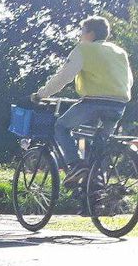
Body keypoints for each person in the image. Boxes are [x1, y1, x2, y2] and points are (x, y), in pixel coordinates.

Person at [32, 16, 133, 186]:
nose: (80, 35)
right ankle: (96, 187)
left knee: (61, 126)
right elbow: (129, 80)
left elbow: (63, 77)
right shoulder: (120, 52)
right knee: (100, 143)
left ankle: (76, 165)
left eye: (82, 31)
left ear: (90, 34)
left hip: (93, 102)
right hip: (119, 105)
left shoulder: (84, 49)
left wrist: (41, 94)